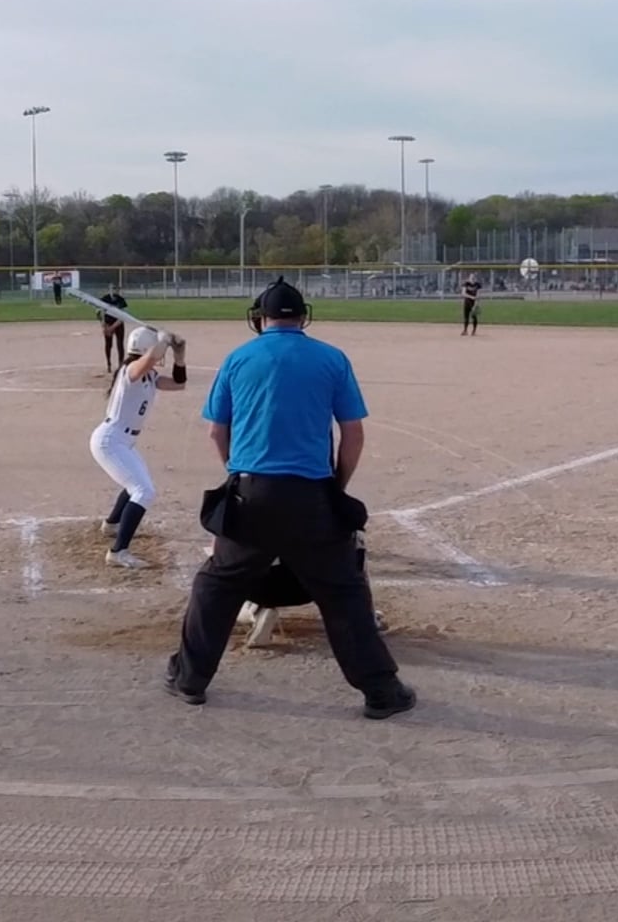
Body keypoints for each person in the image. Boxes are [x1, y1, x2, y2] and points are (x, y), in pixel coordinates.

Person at [166, 277, 414, 719]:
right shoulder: (331, 358)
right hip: (311, 495)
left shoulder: (238, 358)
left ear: (260, 318)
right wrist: (335, 488)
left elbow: (216, 431)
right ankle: (381, 691)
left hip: (251, 494)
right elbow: (353, 435)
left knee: (217, 584)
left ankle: (189, 679)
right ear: (303, 317)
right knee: (343, 590)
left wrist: (237, 475)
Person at [93, 326, 188, 569]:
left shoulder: (149, 376)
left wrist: (179, 355)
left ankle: (112, 525)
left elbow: (179, 384)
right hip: (110, 440)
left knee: (137, 482)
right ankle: (118, 552)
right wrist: (163, 340)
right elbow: (151, 358)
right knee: (143, 491)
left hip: (123, 441)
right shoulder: (130, 371)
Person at [98, 284, 129, 372]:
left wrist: (113, 327)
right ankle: (108, 363)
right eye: (112, 289)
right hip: (108, 323)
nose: (114, 290)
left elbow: (122, 316)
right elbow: (100, 313)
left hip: (118, 324)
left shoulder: (121, 300)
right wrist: (104, 325)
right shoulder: (104, 299)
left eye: (115, 289)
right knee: (108, 344)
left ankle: (120, 364)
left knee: (120, 344)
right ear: (109, 290)